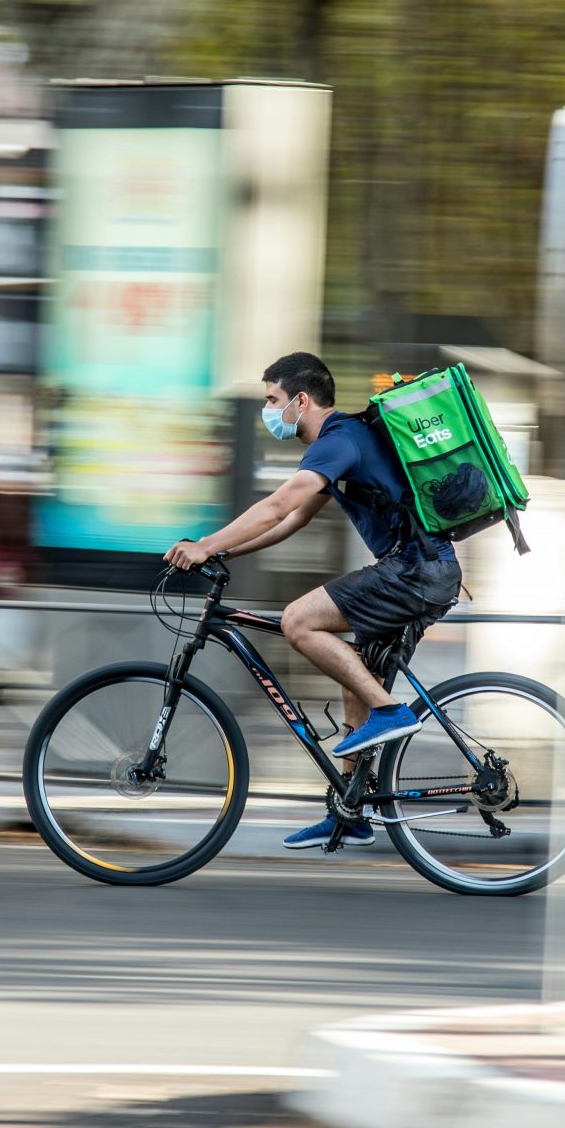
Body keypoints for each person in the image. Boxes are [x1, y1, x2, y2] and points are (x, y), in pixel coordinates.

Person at [166, 351, 463, 847]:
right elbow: (291, 521)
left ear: (301, 401)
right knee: (355, 674)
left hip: (415, 570)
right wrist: (226, 555)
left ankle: (391, 712)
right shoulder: (342, 445)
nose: (268, 411)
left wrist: (205, 545)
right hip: (419, 570)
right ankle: (349, 809)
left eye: (272, 400)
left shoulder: (339, 439)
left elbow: (278, 502)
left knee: (299, 621)